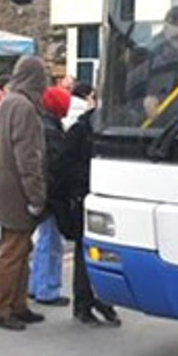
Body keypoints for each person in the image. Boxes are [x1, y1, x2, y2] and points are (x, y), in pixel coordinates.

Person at [0, 56, 49, 331]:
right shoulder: (25, 107)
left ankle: (18, 304)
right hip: (18, 191)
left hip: (4, 186)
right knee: (12, 253)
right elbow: (29, 157)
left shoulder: (6, 103)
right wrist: (36, 195)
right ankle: (1, 308)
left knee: (21, 250)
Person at [55, 93, 120, 327]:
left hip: (105, 197)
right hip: (82, 197)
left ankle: (101, 299)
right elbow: (62, 167)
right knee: (85, 253)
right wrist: (92, 176)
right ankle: (83, 303)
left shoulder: (116, 127)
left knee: (106, 252)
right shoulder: (81, 130)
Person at [28, 86, 72, 307]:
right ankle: (47, 289)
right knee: (51, 242)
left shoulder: (42, 125)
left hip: (42, 192)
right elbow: (55, 165)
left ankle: (35, 285)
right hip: (52, 194)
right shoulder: (52, 131)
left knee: (43, 240)